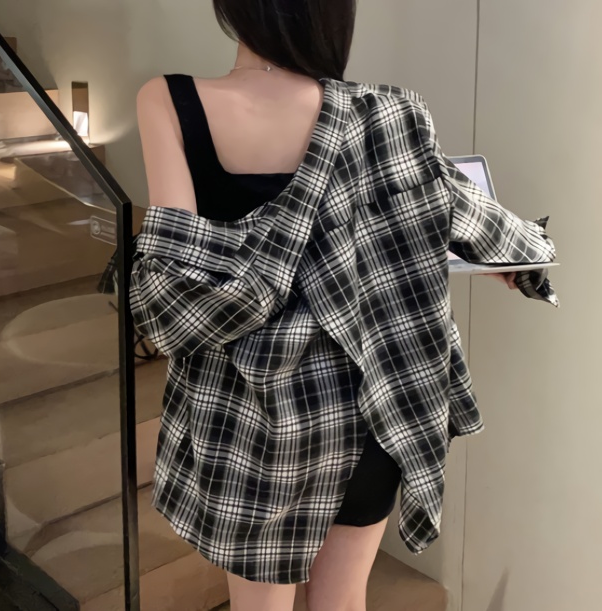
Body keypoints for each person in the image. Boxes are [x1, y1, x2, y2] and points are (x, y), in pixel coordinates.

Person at [130, 1, 557, 610]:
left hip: (248, 420)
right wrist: (523, 258)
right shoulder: (387, 113)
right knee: (343, 598)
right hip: (371, 403)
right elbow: (462, 211)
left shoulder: (168, 100)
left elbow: (177, 286)